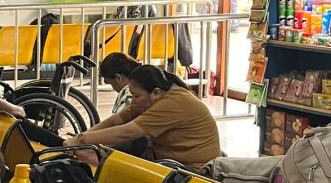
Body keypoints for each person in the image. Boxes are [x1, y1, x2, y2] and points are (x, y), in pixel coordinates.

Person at [67, 64, 220, 170]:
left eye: (136, 96)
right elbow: (115, 120)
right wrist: (84, 138)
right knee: (126, 145)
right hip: (169, 160)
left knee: (125, 150)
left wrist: (81, 140)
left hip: (193, 170)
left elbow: (127, 132)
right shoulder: (149, 98)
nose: (133, 101)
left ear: (155, 92)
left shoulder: (173, 102)